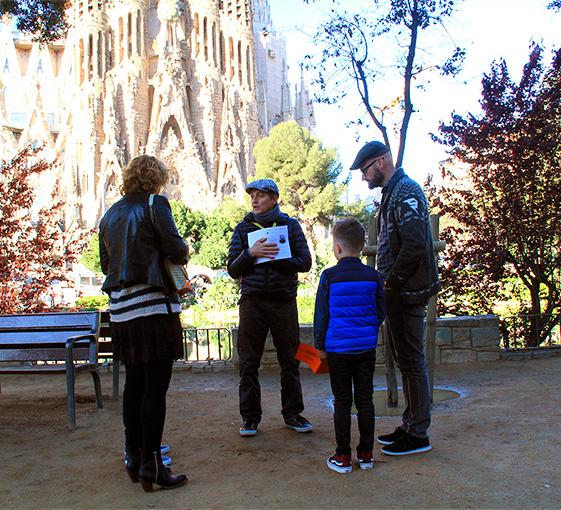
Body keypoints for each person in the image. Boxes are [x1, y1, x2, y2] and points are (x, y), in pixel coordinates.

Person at [99, 155, 188, 491]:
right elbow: (174, 248)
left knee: (134, 385)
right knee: (155, 387)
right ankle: (153, 464)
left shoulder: (108, 215)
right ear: (156, 179)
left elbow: (107, 263)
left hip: (121, 310)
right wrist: (183, 250)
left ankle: (133, 456)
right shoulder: (156, 203)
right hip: (152, 307)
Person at [350, 141, 441, 456]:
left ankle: (418, 434)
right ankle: (410, 425)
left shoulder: (406, 192)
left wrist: (391, 283)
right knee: (407, 361)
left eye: (365, 170)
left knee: (413, 362)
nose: (363, 178)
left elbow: (414, 244)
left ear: (380, 162)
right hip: (400, 293)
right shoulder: (394, 193)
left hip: (407, 294)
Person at [227, 178, 313, 436]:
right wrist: (251, 253)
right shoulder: (242, 229)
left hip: (283, 300)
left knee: (291, 359)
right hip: (252, 301)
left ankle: (293, 414)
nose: (254, 199)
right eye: (252, 195)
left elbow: (305, 262)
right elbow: (232, 269)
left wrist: (277, 258)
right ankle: (250, 418)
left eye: (261, 195)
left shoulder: (290, 225)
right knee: (249, 361)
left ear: (274, 198)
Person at [314, 218, 385, 474]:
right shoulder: (374, 276)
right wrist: (368, 329)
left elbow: (321, 314)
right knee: (365, 400)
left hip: (338, 349)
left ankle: (342, 456)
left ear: (338, 248)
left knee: (342, 401)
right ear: (363, 246)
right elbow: (380, 311)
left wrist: (320, 345)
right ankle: (366, 454)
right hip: (366, 347)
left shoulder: (329, 277)